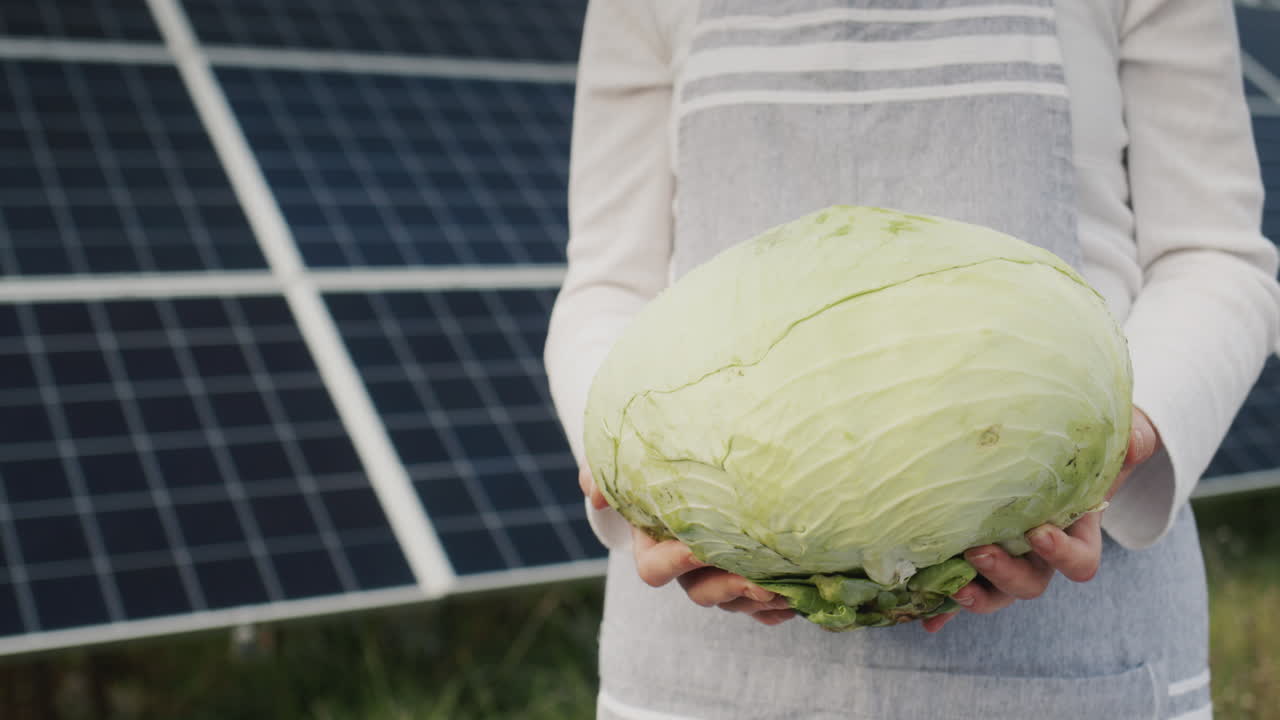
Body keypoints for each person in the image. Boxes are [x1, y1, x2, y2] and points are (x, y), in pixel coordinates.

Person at [544, 0, 1280, 717]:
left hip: (1080, 608)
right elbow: (608, 281)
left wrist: (1131, 436)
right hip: (700, 629)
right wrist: (633, 488)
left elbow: (1213, 255)